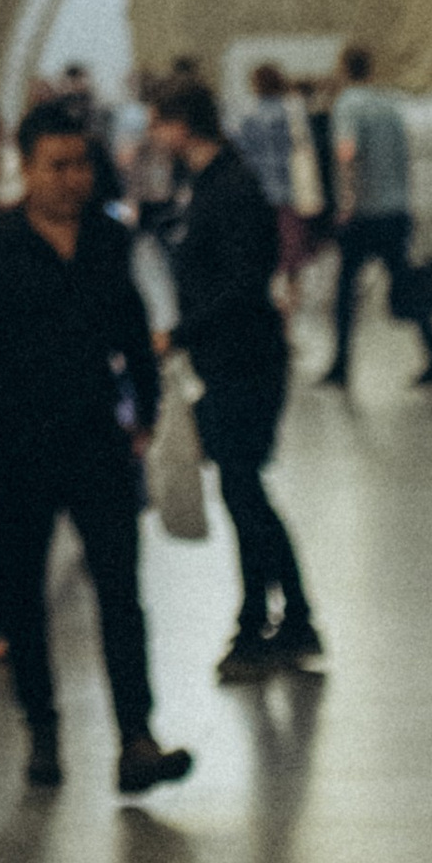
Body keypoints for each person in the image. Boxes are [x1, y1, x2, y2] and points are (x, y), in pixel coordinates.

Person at [0, 104, 195, 798]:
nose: (73, 179)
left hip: (95, 437)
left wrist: (146, 414)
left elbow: (131, 329)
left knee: (121, 591)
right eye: (57, 165)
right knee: (22, 595)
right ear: (25, 167)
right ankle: (42, 729)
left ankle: (136, 737)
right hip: (11, 443)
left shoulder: (107, 239)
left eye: (82, 165)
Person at [144, 80, 323, 682]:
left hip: (246, 359)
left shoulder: (233, 186)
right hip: (225, 358)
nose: (152, 135)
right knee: (243, 490)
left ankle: (264, 619)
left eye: (159, 122)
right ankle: (288, 615)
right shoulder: (205, 183)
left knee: (244, 490)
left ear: (183, 124)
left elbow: (246, 279)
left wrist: (182, 331)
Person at [324, 44, 432, 391]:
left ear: (343, 69)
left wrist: (346, 205)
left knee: (345, 290)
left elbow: (348, 154)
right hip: (395, 211)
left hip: (365, 214)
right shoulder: (388, 105)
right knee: (407, 285)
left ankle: (340, 364)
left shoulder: (349, 105)